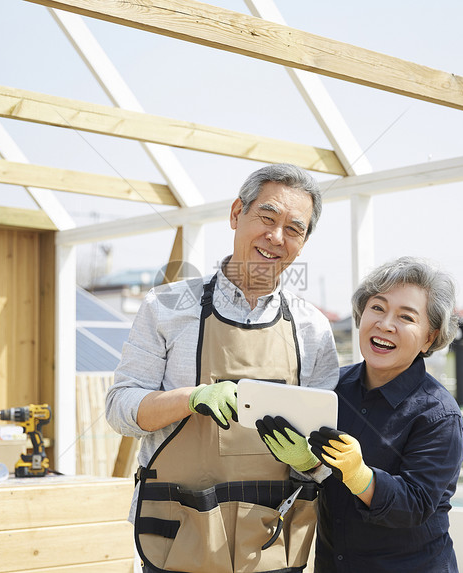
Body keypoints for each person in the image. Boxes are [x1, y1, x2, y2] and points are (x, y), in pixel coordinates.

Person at [106, 163, 340, 573]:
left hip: (271, 540)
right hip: (180, 532)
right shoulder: (165, 307)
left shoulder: (313, 328)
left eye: (293, 229)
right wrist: (191, 398)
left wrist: (310, 461)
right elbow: (120, 408)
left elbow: (327, 445)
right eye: (267, 218)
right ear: (236, 214)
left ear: (303, 243)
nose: (275, 238)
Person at [260, 256, 463, 572]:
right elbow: (322, 480)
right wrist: (309, 464)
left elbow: (415, 505)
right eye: (378, 308)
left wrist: (361, 476)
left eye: (406, 317)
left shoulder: (438, 415)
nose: (385, 324)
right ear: (360, 314)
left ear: (430, 338)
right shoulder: (331, 387)